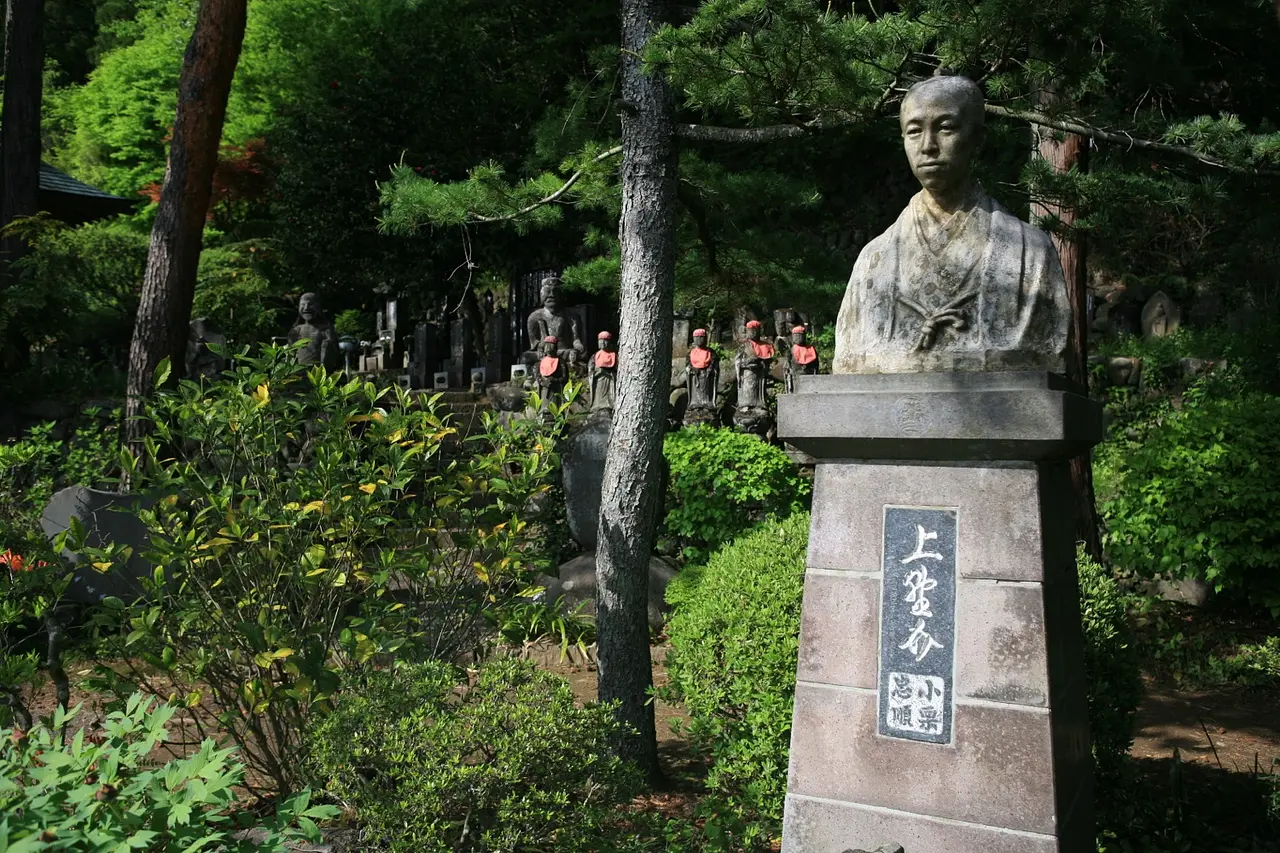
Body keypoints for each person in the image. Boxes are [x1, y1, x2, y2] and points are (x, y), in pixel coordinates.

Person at [833, 73, 1070, 374]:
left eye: (945, 128)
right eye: (914, 131)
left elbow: (1049, 356)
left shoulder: (1031, 253)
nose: (928, 146)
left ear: (977, 139)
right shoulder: (873, 260)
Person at [523, 275, 584, 368]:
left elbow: (576, 339)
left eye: (555, 292)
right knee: (525, 357)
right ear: (541, 294)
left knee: (580, 355)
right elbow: (534, 343)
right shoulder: (534, 317)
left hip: (564, 351)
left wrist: (578, 348)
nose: (551, 295)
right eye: (547, 292)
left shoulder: (571, 315)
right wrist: (542, 346)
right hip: (544, 353)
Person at [287, 292, 340, 370]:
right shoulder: (296, 331)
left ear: (318, 307)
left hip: (319, 373)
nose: (306, 308)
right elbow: (290, 355)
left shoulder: (326, 330)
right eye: (302, 305)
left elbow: (333, 355)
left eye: (310, 304)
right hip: (299, 373)